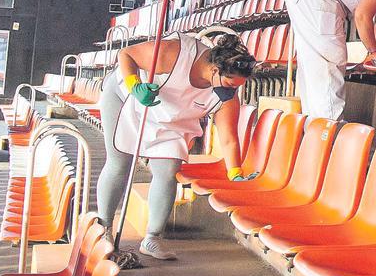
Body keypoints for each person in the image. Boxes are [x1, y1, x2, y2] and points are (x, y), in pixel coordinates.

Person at [96, 32, 256, 260]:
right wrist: (135, 86)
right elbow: (126, 54)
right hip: (129, 98)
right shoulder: (176, 53)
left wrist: (235, 172)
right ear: (214, 70)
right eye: (230, 84)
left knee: (168, 170)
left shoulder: (227, 96)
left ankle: (152, 238)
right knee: (119, 163)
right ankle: (104, 229)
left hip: (172, 120)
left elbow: (229, 137)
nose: (232, 91)